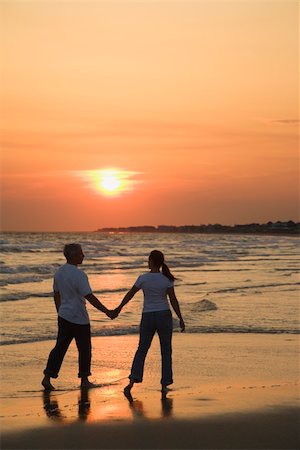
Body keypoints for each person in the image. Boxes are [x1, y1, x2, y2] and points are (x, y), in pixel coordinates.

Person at [42, 243, 115, 390]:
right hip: (79, 317)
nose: (83, 256)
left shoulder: (59, 272)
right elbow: (89, 296)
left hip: (64, 315)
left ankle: (47, 377)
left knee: (60, 348)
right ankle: (84, 379)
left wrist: (60, 311)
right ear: (73, 255)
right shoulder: (80, 275)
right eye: (81, 253)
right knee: (84, 348)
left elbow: (56, 294)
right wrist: (107, 311)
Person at [113, 250, 185, 395]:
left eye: (148, 260)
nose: (147, 262)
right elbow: (173, 300)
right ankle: (165, 384)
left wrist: (119, 308)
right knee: (166, 351)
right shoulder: (166, 279)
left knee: (142, 349)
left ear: (151, 261)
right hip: (164, 316)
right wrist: (181, 318)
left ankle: (132, 381)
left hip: (148, 317)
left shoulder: (143, 278)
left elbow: (130, 294)